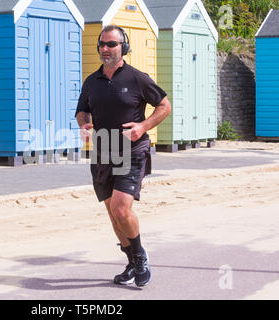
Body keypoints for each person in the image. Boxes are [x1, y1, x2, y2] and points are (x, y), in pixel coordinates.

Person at [75, 25, 171, 287]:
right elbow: (82, 111)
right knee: (112, 213)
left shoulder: (137, 78)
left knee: (121, 208)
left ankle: (140, 257)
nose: (105, 49)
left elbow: (164, 104)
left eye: (111, 44)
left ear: (123, 47)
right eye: (102, 44)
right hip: (102, 152)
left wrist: (143, 127)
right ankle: (131, 261)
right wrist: (84, 124)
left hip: (132, 151)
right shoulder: (91, 81)